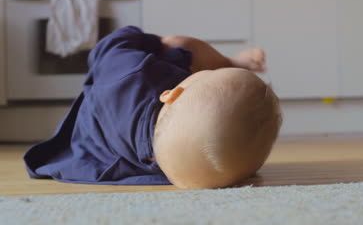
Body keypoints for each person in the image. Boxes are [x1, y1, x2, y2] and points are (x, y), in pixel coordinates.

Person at [24, 26, 282, 189]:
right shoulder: (181, 168)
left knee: (176, 44)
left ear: (170, 93)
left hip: (94, 122)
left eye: (210, 74)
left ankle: (229, 61)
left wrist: (136, 37)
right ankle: (233, 63)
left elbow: (108, 48)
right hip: (101, 149)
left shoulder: (136, 72)